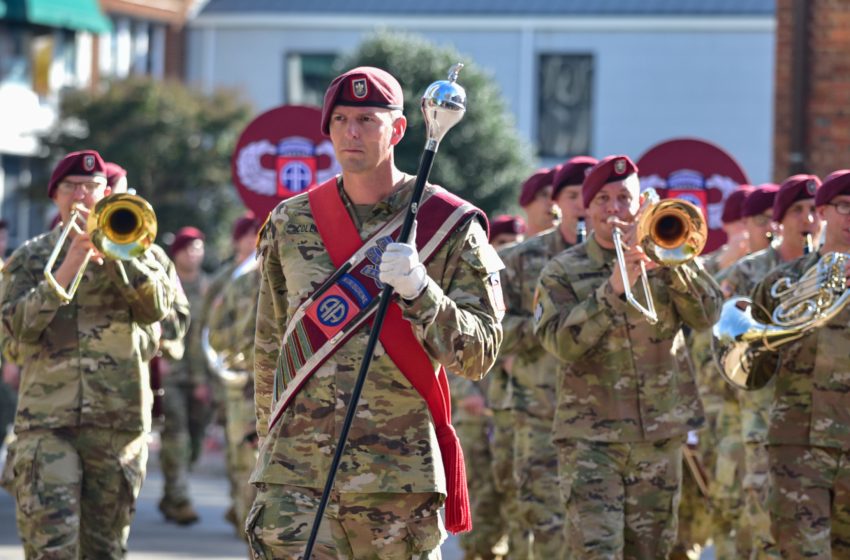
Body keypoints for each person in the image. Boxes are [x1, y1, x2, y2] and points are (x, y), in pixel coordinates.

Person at [247, 66, 505, 559]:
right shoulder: (291, 220)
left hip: (397, 484)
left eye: (367, 119)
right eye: (340, 119)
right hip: (295, 478)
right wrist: (267, 450)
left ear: (399, 129)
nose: (352, 132)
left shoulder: (448, 224)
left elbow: (479, 354)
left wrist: (420, 291)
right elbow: (269, 348)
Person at [533, 155, 722, 558]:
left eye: (624, 198)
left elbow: (708, 316)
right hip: (591, 441)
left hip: (659, 437)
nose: (614, 209)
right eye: (602, 199)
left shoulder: (670, 257)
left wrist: (672, 265)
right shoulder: (561, 271)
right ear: (587, 208)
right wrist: (612, 292)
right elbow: (559, 343)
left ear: (640, 205)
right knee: (597, 551)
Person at [0, 150, 176, 557]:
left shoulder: (141, 248)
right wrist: (68, 266)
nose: (81, 195)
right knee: (51, 548)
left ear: (106, 193)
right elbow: (13, 332)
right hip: (47, 425)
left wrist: (117, 258)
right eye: (71, 187)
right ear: (55, 196)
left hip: (117, 423)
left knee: (104, 550)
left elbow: (156, 310)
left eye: (91, 187)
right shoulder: (29, 258)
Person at [748, 169, 850, 557]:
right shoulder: (784, 282)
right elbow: (751, 368)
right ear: (822, 212)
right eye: (844, 207)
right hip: (798, 449)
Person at [500, 155, 596, 559]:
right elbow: (494, 330)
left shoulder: (621, 261)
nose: (583, 204)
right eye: (574, 195)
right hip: (541, 416)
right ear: (556, 202)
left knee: (598, 535)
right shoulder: (520, 259)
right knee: (547, 528)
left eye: (591, 195)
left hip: (603, 420)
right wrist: (550, 327)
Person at [725, 174, 822, 559]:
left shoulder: (831, 269)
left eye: (813, 210)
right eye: (797, 210)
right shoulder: (748, 273)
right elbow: (727, 343)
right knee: (767, 523)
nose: (807, 220)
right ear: (779, 220)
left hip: (821, 419)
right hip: (765, 414)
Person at [206, 213, 262, 537]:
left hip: (284, 389)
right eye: (250, 234)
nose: (256, 240)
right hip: (243, 387)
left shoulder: (296, 276)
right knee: (243, 463)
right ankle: (247, 531)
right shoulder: (236, 281)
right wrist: (239, 344)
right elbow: (213, 333)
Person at [156, 226, 211, 525]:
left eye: (198, 248)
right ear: (177, 252)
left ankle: (171, 492)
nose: (193, 254)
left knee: (196, 437)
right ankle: (179, 497)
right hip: (172, 373)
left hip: (202, 375)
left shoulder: (209, 287)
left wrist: (206, 378)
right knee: (176, 434)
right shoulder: (164, 282)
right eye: (188, 248)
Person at [519, 168, 560, 237]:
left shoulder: (575, 242)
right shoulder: (516, 244)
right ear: (526, 203)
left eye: (555, 195)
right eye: (544, 195)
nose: (552, 202)